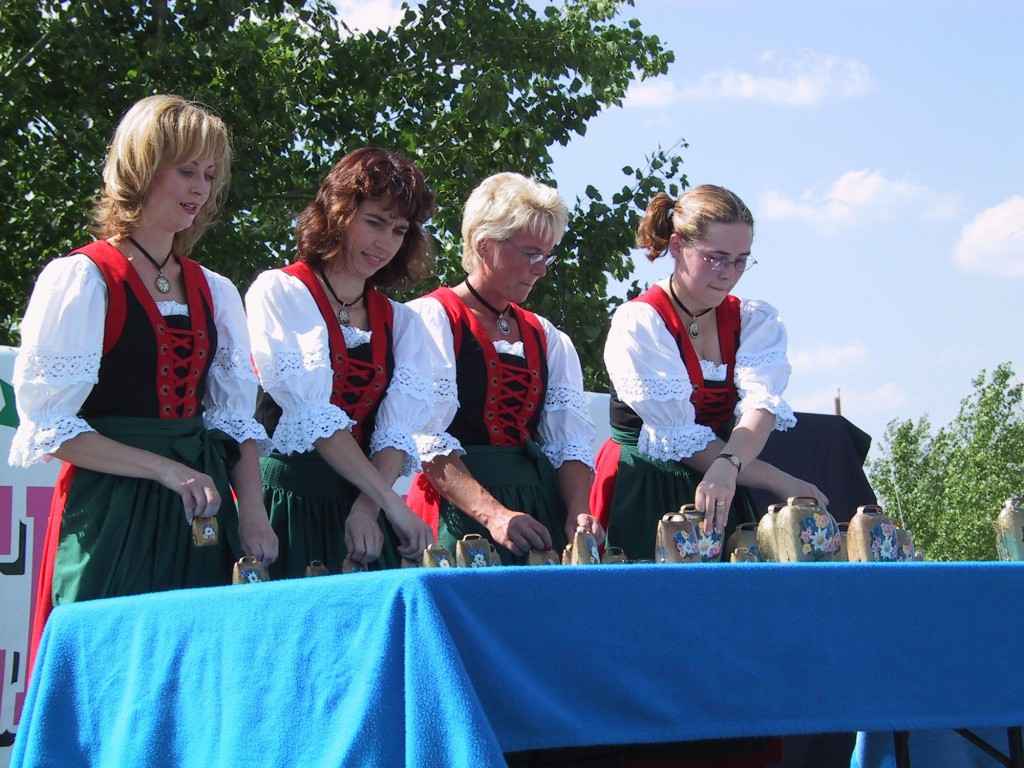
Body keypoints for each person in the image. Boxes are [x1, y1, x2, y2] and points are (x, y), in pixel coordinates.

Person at [10, 95, 277, 668]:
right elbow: (51, 428)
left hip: (202, 513)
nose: (200, 188)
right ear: (142, 167)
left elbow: (235, 422)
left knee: (197, 666)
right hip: (110, 510)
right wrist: (165, 469)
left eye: (209, 175)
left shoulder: (215, 290)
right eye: (186, 171)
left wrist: (253, 511)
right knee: (108, 666)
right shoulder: (83, 278)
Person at [590, 184, 828, 561]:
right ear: (677, 246)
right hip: (642, 488)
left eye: (740, 260)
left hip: (723, 484)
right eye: (715, 258)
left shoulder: (752, 320)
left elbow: (760, 408)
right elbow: (678, 434)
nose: (728, 273)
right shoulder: (640, 322)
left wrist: (729, 466)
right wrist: (772, 478)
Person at [245, 148, 434, 577]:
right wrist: (391, 504)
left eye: (399, 230)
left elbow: (395, 432)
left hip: (364, 510)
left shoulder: (402, 322)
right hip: (290, 500)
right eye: (374, 222)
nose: (385, 243)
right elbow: (313, 415)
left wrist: (368, 508)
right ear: (338, 213)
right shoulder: (281, 291)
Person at [406, 172, 600, 564]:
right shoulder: (431, 320)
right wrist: (494, 515)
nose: (541, 269)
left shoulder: (546, 336)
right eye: (531, 254)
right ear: (484, 245)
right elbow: (426, 440)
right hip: (458, 512)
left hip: (537, 511)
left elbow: (569, 443)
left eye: (547, 255)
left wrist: (578, 512)